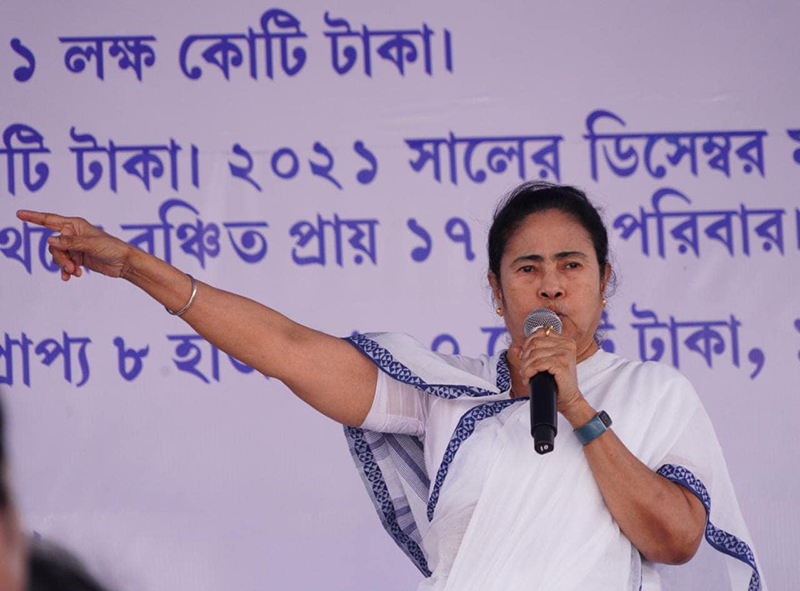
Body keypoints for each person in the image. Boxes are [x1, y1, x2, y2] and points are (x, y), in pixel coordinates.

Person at [15, 181, 764, 591]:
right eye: (527, 267)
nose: (551, 285)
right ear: (496, 290)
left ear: (605, 280)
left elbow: (676, 539)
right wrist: (135, 266)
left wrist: (576, 406)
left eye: (572, 265)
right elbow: (286, 349)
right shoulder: (447, 393)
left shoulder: (654, 391)